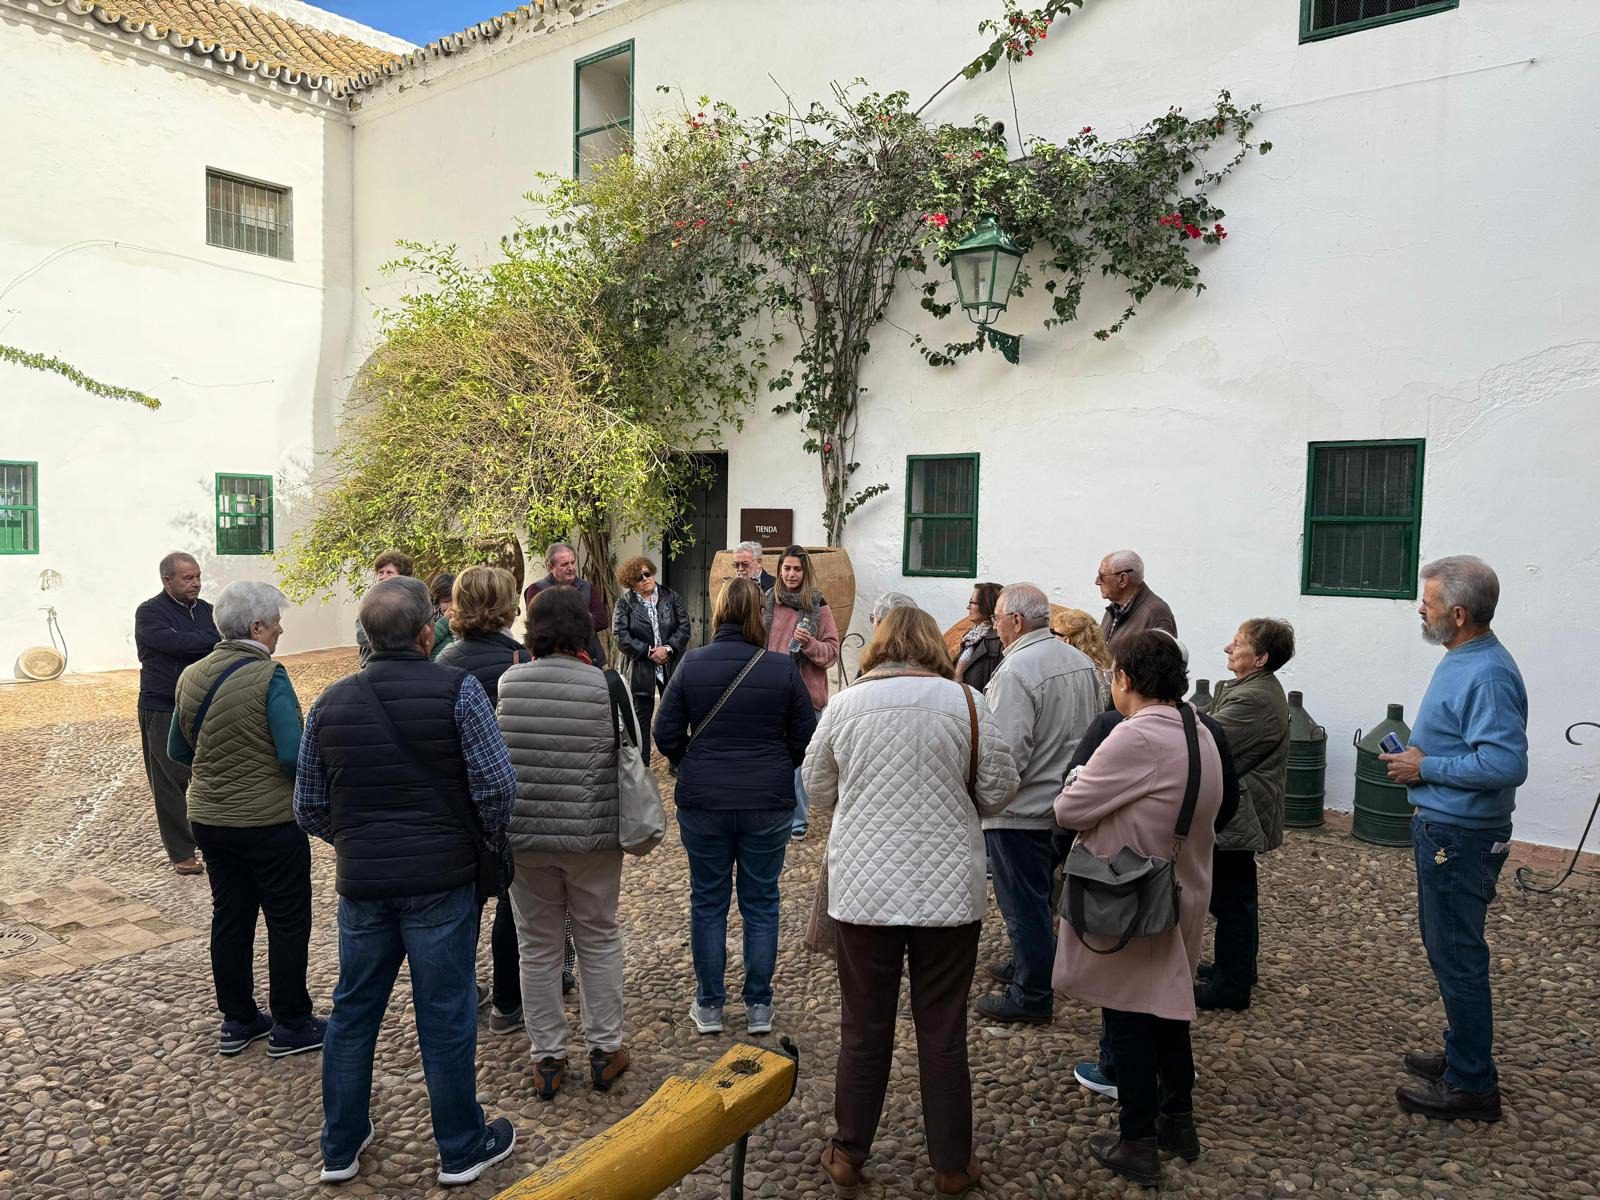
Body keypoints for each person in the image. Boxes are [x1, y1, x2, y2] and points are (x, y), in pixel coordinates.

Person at [295, 577, 518, 1188]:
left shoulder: (330, 702)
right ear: (426, 633)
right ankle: (459, 1146)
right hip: (440, 880)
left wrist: (360, 842)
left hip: (364, 882)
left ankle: (340, 1144)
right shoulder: (458, 691)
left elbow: (308, 805)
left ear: (366, 637)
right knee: (445, 1014)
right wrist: (474, 837)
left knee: (352, 1011)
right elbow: (498, 788)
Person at [804, 606, 1019, 1198]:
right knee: (943, 1029)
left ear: (876, 646)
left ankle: (848, 1152)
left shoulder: (846, 706)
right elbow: (1000, 790)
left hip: (864, 892)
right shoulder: (968, 704)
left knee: (865, 1026)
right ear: (932, 645)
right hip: (949, 892)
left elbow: (817, 789)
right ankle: (951, 1164)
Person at [1053, 630, 1224, 1187]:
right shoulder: (1198, 729)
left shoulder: (1138, 737)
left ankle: (1138, 1140)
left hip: (1135, 897)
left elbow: (1069, 808)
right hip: (1185, 886)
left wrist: (1080, 779)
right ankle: (1179, 1121)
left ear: (1125, 678)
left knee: (1126, 1014)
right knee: (1167, 1008)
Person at [1382, 556, 1527, 1123]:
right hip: (1448, 827)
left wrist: (1426, 768)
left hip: (1461, 835)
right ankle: (1462, 1055)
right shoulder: (1464, 657)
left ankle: (1473, 1085)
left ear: (1460, 614)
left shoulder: (1486, 672)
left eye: (1430, 601)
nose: (1421, 607)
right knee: (1448, 949)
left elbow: (1505, 763)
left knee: (1458, 955)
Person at [654, 579, 816, 1037]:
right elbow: (805, 735)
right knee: (761, 901)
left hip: (706, 799)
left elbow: (665, 731)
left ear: (720, 613)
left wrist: (690, 759)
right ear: (757, 617)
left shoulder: (693, 663)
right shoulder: (780, 670)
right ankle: (758, 1006)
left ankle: (709, 1005)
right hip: (766, 800)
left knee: (708, 901)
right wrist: (778, 763)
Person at [168, 580, 320, 1058]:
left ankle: (238, 1020)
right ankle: (292, 1022)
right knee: (287, 919)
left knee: (230, 917)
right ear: (256, 626)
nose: (280, 630)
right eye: (275, 621)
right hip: (268, 822)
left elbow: (177, 749)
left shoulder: (192, 674)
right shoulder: (268, 676)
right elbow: (294, 755)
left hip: (210, 820)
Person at [497, 587, 635, 1100]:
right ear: (584, 630)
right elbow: (634, 752)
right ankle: (604, 1049)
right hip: (592, 835)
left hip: (527, 834)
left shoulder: (509, 681)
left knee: (537, 947)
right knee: (598, 938)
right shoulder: (606, 684)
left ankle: (548, 1059)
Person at [977, 583, 1102, 1024]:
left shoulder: (1016, 671)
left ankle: (1031, 994)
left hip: (1022, 809)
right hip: (1067, 804)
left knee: (1023, 904)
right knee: (1038, 899)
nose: (994, 627)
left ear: (1015, 621)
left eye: (996, 619)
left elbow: (1006, 751)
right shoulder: (1082, 663)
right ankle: (1030, 964)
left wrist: (985, 800)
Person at [435, 566, 529, 1037]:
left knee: (462, 906)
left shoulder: (443, 662)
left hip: (456, 804)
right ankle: (509, 1002)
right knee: (514, 902)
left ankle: (462, 993)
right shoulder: (521, 660)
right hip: (511, 795)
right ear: (506, 605)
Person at [1194, 618, 1296, 1012]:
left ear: (1261, 657)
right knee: (1235, 894)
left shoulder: (1255, 699)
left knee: (1231, 899)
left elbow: (1210, 741)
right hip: (1243, 803)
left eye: (1237, 644)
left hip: (1241, 809)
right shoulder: (1251, 689)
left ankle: (1231, 985)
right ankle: (1237, 967)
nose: (1227, 649)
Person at [134, 551, 220, 875]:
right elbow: (171, 644)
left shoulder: (210, 611)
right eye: (188, 578)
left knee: (208, 773)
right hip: (163, 706)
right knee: (170, 780)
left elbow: (217, 641)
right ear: (167, 580)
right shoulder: (150, 612)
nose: (195, 583)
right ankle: (182, 851)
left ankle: (212, 840)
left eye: (198, 576)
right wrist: (204, 641)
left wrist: (197, 641)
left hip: (204, 704)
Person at [764, 546, 840, 840]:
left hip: (806, 695)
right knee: (772, 756)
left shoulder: (819, 607)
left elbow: (831, 654)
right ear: (780, 570)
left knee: (799, 761)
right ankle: (773, 814)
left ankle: (797, 820)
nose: (792, 574)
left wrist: (809, 644)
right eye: (787, 569)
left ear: (805, 572)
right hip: (771, 693)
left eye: (797, 569)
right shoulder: (768, 602)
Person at [612, 555, 691, 764]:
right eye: (640, 577)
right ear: (631, 583)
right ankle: (643, 764)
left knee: (675, 716)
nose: (646, 578)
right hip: (641, 668)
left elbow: (684, 628)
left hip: (670, 664)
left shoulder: (670, 597)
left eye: (648, 573)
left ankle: (677, 761)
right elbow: (621, 636)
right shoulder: (625, 604)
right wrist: (648, 652)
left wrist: (667, 648)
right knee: (641, 720)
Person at [523, 541, 607, 667]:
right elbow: (537, 625)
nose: (571, 568)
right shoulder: (537, 590)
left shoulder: (587, 587)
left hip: (591, 658)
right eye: (564, 564)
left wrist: (561, 621)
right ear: (550, 567)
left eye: (573, 562)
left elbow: (601, 620)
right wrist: (583, 619)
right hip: (552, 660)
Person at [1095, 550, 1177, 658]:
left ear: (1123, 580)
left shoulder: (1155, 613)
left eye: (1102, 576)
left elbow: (1163, 667)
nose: (1097, 582)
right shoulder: (1114, 608)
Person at [356, 549, 413, 666]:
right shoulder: (369, 602)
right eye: (380, 572)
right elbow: (361, 636)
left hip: (405, 664)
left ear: (403, 577)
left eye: (389, 572)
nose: (383, 576)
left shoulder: (414, 601)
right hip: (373, 664)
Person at [1049, 606, 1113, 706]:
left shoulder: (1069, 676)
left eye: (1054, 633)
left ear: (1066, 640)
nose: (1052, 639)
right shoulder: (1106, 672)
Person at [953, 581, 1003, 693]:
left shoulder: (999, 640)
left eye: (972, 602)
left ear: (987, 604)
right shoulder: (970, 638)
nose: (968, 607)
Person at [429, 573, 457, 661]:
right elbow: (426, 642)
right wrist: (444, 621)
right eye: (446, 601)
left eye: (455, 600)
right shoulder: (428, 618)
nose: (452, 605)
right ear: (436, 602)